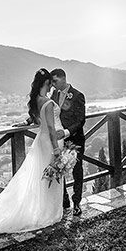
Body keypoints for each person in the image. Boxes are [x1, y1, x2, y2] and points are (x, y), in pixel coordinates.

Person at [0, 68, 67, 233]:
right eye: (51, 82)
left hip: (41, 141)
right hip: (51, 141)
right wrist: (56, 149)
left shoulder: (36, 100)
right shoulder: (48, 102)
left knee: (42, 175)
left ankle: (42, 210)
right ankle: (49, 212)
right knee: (51, 175)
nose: (52, 85)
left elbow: (37, 120)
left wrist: (25, 123)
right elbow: (51, 128)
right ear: (47, 83)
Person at [49, 68, 86, 216]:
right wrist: (28, 121)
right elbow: (47, 111)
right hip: (59, 141)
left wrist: (66, 132)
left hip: (75, 139)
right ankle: (64, 200)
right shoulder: (54, 94)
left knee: (77, 170)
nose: (53, 84)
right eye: (51, 82)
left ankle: (77, 202)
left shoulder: (77, 95)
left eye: (55, 81)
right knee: (59, 168)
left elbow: (80, 120)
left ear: (63, 78)